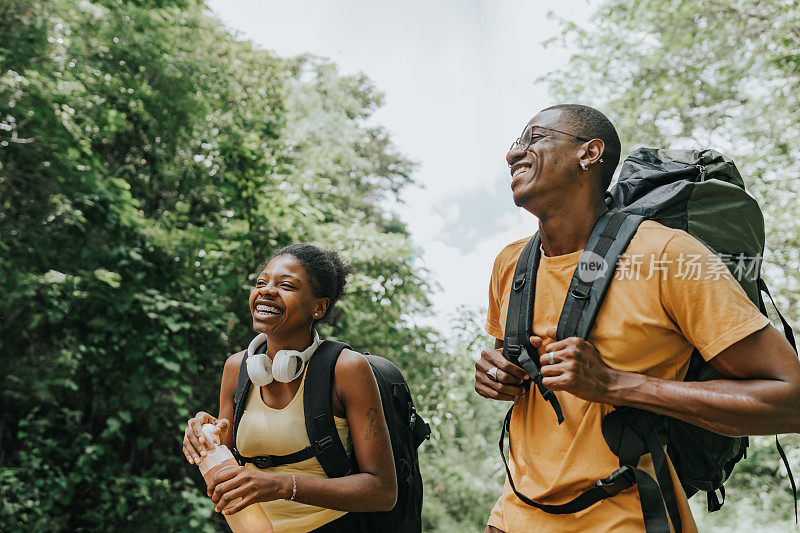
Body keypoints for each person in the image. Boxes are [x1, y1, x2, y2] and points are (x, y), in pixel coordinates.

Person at [474, 104, 800, 532]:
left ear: (589, 153)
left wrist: (613, 383)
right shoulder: (510, 264)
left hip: (627, 516)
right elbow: (513, 371)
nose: (513, 153)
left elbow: (790, 400)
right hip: (514, 514)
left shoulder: (667, 255)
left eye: (534, 138)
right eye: (517, 143)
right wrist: (495, 376)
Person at [182, 243, 397, 532]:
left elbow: (382, 491)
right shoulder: (237, 368)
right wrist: (204, 435)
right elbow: (227, 462)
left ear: (318, 307)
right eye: (261, 282)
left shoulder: (346, 369)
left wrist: (283, 485)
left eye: (286, 285)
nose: (266, 291)